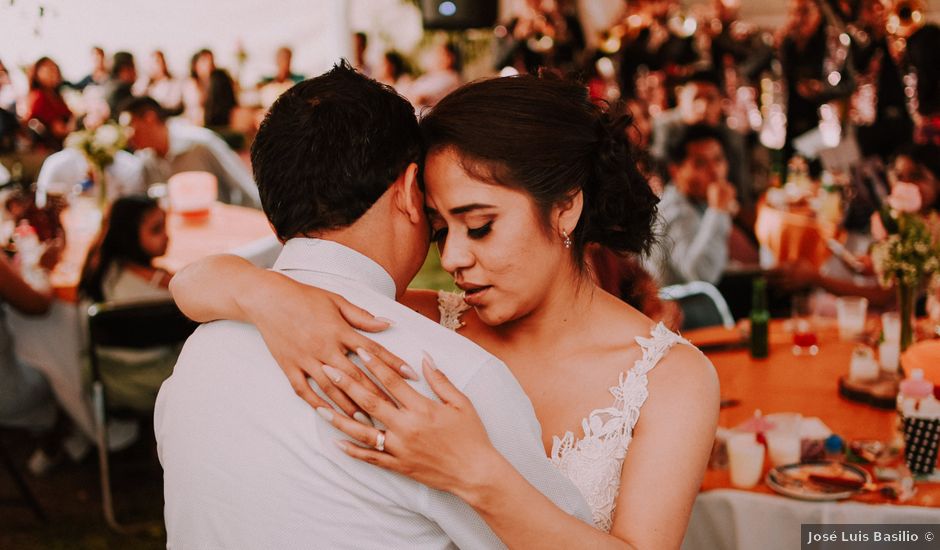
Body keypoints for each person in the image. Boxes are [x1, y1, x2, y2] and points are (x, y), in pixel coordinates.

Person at [171, 71, 719, 547]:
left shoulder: (671, 380)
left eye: (479, 226)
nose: (454, 257)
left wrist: (474, 473)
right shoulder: (419, 322)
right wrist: (271, 297)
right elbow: (193, 284)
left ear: (566, 207)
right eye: (438, 229)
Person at [78, 196, 174, 412]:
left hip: (104, 372)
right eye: (157, 229)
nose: (167, 236)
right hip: (153, 376)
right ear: (130, 236)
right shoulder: (161, 292)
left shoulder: (101, 271)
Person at [119, 96, 260, 207]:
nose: (126, 135)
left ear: (150, 118)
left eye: (129, 126)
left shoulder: (200, 143)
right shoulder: (145, 159)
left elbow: (245, 187)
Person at [645, 123, 736, 286]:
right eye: (700, 164)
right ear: (675, 171)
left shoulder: (695, 201)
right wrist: (718, 210)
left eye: (718, 160)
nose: (715, 171)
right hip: (682, 307)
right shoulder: (677, 211)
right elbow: (702, 275)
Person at [24, 57, 73, 149]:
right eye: (49, 70)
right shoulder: (39, 97)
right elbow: (61, 131)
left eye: (55, 70)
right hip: (51, 151)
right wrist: (76, 118)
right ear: (37, 74)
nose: (54, 74)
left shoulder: (54, 95)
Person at [136, 50, 183, 115]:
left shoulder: (174, 82)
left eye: (157, 62)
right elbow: (136, 96)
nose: (154, 66)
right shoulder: (145, 82)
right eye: (150, 63)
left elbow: (174, 104)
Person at [181, 48, 215, 126]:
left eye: (211, 60)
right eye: (204, 61)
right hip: (193, 123)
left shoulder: (216, 82)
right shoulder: (190, 83)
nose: (208, 64)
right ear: (195, 64)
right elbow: (194, 107)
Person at [103, 51, 137, 120]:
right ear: (124, 69)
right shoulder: (122, 89)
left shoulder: (108, 84)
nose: (135, 72)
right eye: (133, 67)